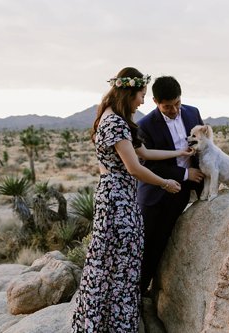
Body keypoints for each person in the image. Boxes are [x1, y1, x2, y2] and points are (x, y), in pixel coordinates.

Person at [72, 67, 192, 332]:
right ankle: (112, 325)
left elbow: (145, 153)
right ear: (129, 92)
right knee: (121, 261)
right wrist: (166, 183)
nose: (142, 101)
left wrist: (179, 152)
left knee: (113, 260)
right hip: (118, 201)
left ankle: (104, 321)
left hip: (118, 196)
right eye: (141, 95)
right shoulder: (115, 123)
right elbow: (134, 168)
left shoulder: (115, 119)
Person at [135, 75, 205, 297]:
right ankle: (135, 294)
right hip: (154, 194)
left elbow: (205, 146)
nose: (175, 110)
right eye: (168, 107)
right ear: (155, 101)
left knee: (164, 241)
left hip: (182, 193)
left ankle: (150, 289)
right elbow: (147, 164)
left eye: (177, 104)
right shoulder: (144, 126)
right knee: (144, 246)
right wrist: (185, 173)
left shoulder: (193, 113)